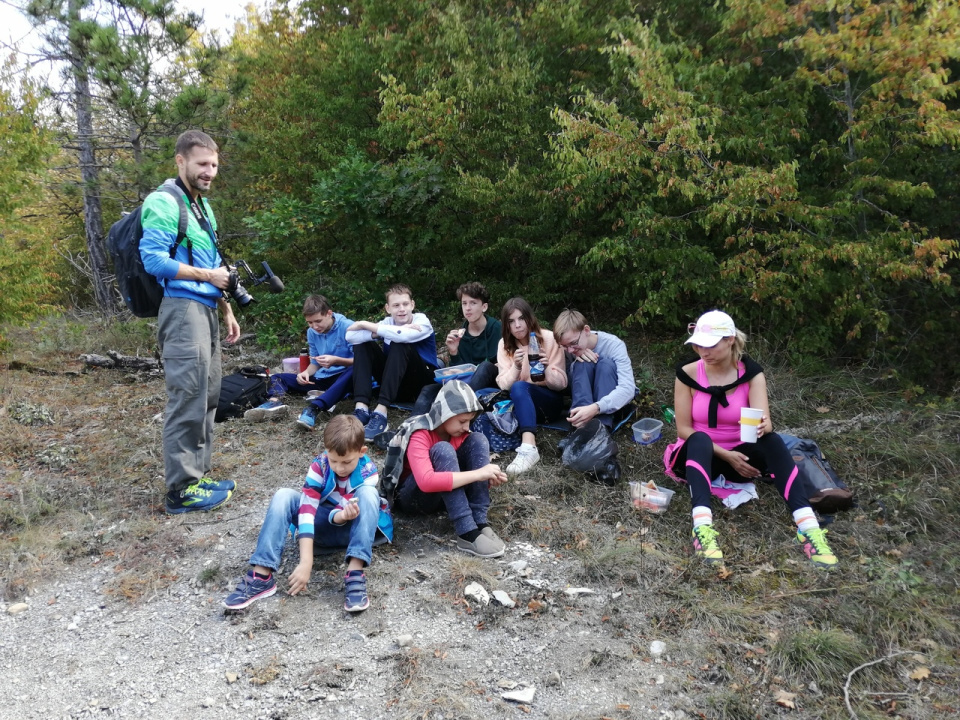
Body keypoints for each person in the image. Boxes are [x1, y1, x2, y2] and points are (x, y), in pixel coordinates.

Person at [663, 310, 838, 568]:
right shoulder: (687, 374)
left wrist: (764, 427)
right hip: (696, 457)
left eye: (710, 345)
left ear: (730, 340)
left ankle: (808, 528)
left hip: (741, 457)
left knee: (773, 440)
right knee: (699, 438)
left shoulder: (752, 374)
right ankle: (701, 529)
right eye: (698, 345)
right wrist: (727, 456)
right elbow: (683, 430)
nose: (703, 351)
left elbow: (764, 423)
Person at [140, 130, 239, 514]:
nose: (209, 171)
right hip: (182, 310)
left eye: (213, 164)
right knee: (187, 396)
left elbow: (214, 266)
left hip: (206, 309)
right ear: (180, 161)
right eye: (201, 164)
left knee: (208, 395)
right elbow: (154, 260)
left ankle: (198, 476)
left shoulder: (202, 208)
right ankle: (180, 490)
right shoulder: (164, 202)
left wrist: (226, 309)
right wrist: (208, 277)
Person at [222, 415, 393, 612]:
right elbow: (306, 510)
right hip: (321, 529)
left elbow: (349, 510)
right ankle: (261, 575)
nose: (340, 468)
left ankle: (355, 571)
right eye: (334, 460)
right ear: (326, 452)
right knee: (284, 495)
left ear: (362, 452)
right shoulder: (319, 465)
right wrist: (306, 561)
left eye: (347, 461)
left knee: (369, 494)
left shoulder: (368, 471)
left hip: (351, 531)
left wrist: (343, 516)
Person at [382, 380, 508, 558]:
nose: (467, 427)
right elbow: (426, 482)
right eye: (462, 421)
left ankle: (479, 522)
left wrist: (487, 478)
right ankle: (466, 532)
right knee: (443, 449)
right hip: (413, 498)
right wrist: (478, 474)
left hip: (444, 496)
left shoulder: (459, 432)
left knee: (478, 439)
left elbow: (467, 473)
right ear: (445, 415)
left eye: (469, 421)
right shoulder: (420, 432)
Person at [244, 294, 355, 430]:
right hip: (323, 379)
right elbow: (315, 363)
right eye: (310, 322)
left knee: (355, 370)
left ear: (329, 313)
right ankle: (274, 403)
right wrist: (305, 373)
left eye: (318, 321)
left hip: (344, 378)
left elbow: (362, 361)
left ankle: (313, 409)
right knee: (278, 377)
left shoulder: (348, 327)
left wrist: (336, 361)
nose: (314, 326)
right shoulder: (311, 332)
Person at [346, 284, 440, 441]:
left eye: (405, 304)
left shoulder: (422, 320)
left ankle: (381, 412)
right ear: (388, 308)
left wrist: (363, 324)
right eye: (396, 305)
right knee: (362, 344)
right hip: (394, 383)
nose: (401, 309)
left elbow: (402, 336)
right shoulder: (387, 322)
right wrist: (377, 333)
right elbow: (350, 337)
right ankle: (361, 408)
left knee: (399, 343)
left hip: (420, 383)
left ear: (412, 305)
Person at [495, 297, 567, 475]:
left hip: (549, 403)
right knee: (508, 390)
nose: (518, 325)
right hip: (522, 401)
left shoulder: (548, 338)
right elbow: (504, 385)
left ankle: (529, 447)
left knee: (520, 387)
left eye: (521, 318)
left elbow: (561, 385)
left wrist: (547, 368)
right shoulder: (504, 345)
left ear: (529, 318)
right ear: (506, 325)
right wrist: (516, 367)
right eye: (511, 321)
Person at [412, 281, 502, 415]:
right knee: (428, 390)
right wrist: (453, 351)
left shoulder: (496, 329)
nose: (468, 308)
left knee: (485, 366)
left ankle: (456, 411)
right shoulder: (461, 333)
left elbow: (501, 364)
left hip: (491, 382)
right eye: (464, 303)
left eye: (473, 303)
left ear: (484, 307)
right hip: (465, 384)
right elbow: (459, 370)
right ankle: (412, 424)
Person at [553, 309, 637, 430]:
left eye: (573, 343)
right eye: (565, 346)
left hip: (609, 401)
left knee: (606, 364)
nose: (570, 350)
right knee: (582, 363)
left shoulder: (614, 345)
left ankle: (602, 426)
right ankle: (579, 421)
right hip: (582, 396)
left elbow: (628, 388)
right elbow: (565, 383)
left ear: (586, 330)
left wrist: (596, 408)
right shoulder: (566, 348)